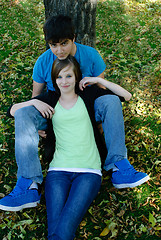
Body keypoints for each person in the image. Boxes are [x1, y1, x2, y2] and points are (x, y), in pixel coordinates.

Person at [0, 15, 149, 212]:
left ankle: (119, 166)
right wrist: (35, 125)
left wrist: (100, 125)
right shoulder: (43, 63)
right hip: (55, 110)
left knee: (111, 100)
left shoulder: (91, 55)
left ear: (74, 38)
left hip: (87, 107)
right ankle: (28, 184)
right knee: (24, 113)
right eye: (53, 45)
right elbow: (33, 100)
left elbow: (103, 96)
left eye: (64, 43)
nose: (59, 50)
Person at [1, 56, 133, 239]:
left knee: (64, 229)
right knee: (55, 230)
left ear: (76, 77)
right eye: (59, 77)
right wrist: (33, 101)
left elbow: (126, 96)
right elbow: (13, 111)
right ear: (54, 80)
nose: (64, 81)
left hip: (89, 172)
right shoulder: (50, 99)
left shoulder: (88, 95)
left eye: (69, 76)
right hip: (57, 172)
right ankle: (28, 187)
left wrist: (98, 80)